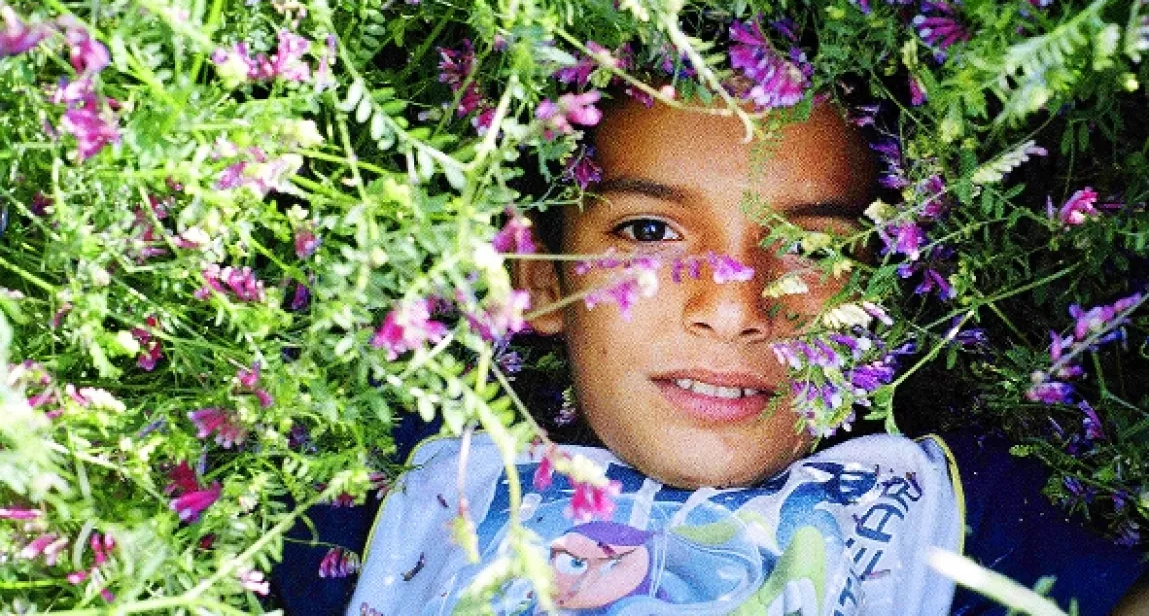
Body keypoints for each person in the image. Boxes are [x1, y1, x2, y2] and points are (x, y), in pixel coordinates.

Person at [272, 96, 1148, 615]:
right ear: (536, 277)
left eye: (812, 248)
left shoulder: (950, 507)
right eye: (648, 232)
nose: (732, 308)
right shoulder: (390, 476)